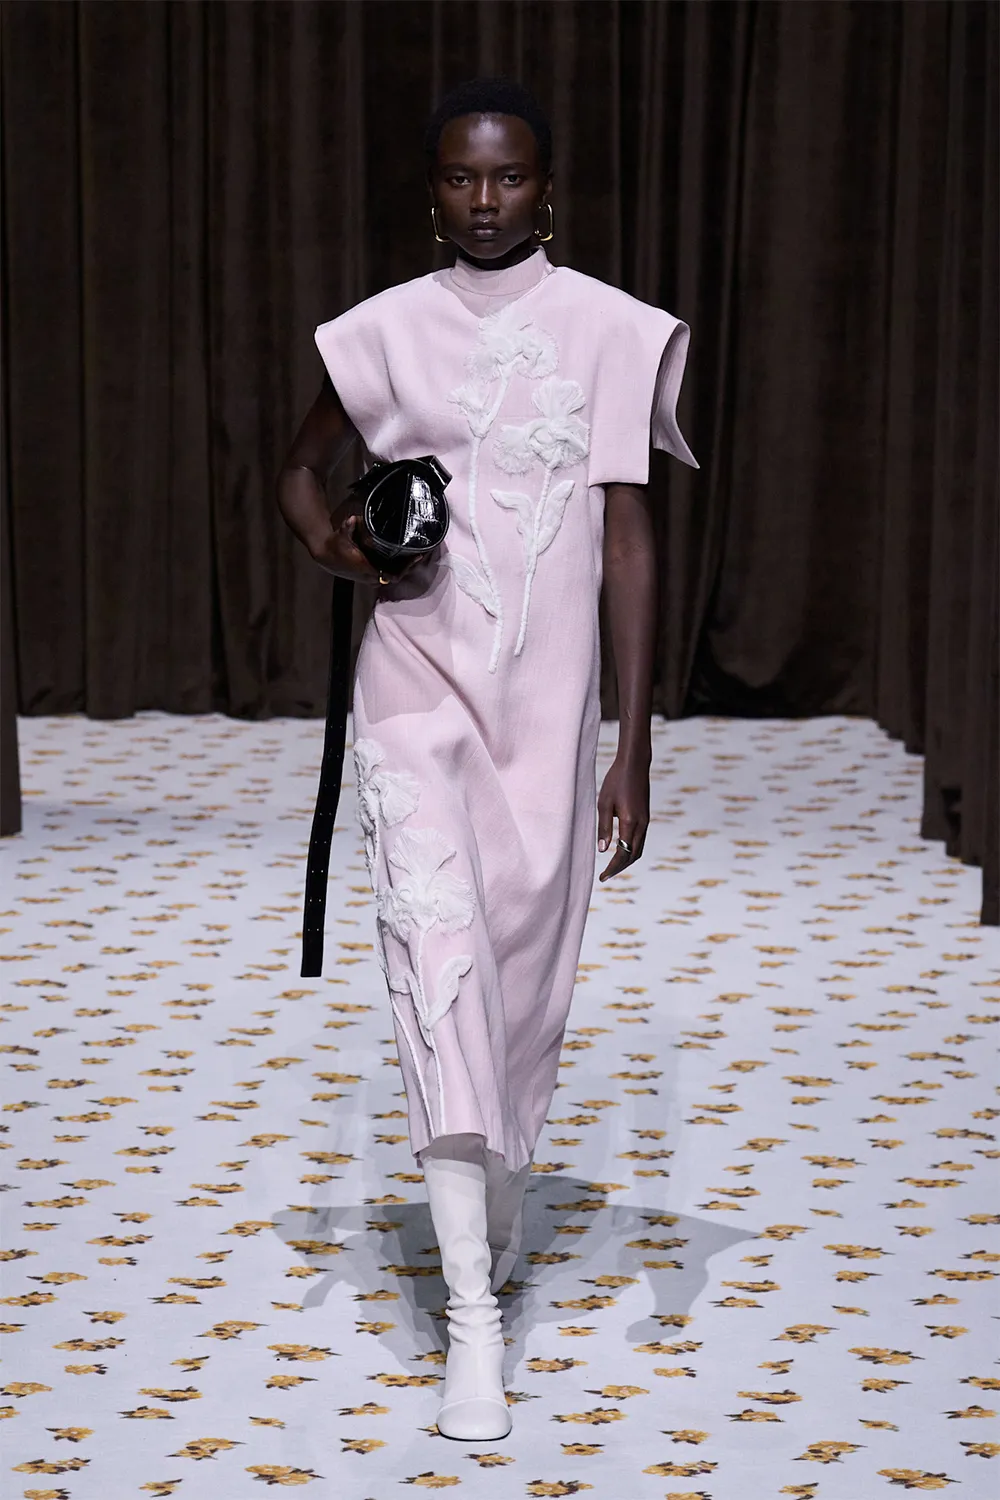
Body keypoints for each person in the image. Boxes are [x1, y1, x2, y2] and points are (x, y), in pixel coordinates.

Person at [276, 76, 698, 1443]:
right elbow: (299, 472)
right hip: (415, 689)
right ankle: (471, 1324)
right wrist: (346, 552)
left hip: (550, 708)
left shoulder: (612, 331)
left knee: (520, 993)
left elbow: (627, 538)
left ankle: (497, 1194)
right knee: (440, 972)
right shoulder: (385, 329)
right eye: (462, 176)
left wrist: (634, 742)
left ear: (548, 189)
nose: (485, 198)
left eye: (509, 176)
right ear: (432, 192)